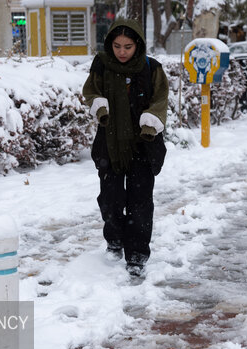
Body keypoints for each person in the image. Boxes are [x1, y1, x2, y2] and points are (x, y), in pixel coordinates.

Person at [82, 19, 169, 277]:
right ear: (110, 44)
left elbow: (161, 99)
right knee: (110, 201)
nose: (122, 52)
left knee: (140, 204)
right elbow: (91, 90)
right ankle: (115, 238)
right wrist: (98, 103)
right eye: (117, 46)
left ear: (138, 45)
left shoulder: (151, 68)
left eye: (128, 46)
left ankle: (137, 254)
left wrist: (151, 121)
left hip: (144, 145)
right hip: (109, 145)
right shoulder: (102, 65)